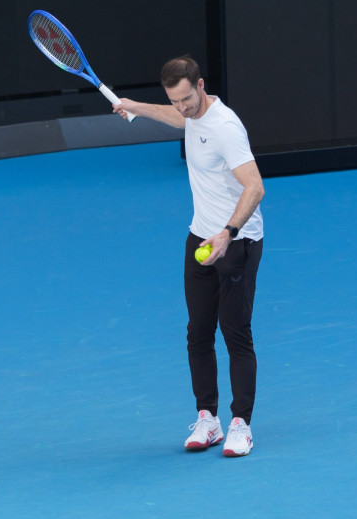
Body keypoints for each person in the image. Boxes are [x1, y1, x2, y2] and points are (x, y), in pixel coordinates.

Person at [112, 56, 264, 457]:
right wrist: (135, 106)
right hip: (198, 238)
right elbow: (178, 119)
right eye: (174, 100)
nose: (182, 107)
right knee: (197, 333)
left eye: (186, 99)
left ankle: (240, 424)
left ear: (201, 85)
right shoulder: (191, 112)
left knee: (235, 333)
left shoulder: (227, 128)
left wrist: (227, 234)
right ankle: (207, 418)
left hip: (237, 242)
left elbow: (255, 187)